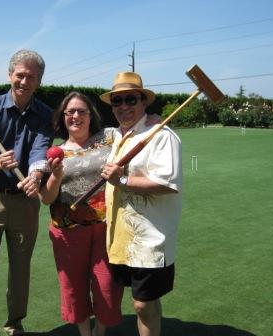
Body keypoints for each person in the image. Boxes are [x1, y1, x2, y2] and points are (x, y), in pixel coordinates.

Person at [0, 49, 53, 336]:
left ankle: (14, 325)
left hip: (24, 203)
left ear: (38, 81)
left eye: (31, 77)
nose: (24, 81)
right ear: (10, 75)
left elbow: (41, 150)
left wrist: (36, 175)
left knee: (20, 271)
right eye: (20, 75)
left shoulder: (45, 114)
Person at [99, 72, 183, 336]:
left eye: (131, 99)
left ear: (144, 102)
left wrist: (122, 179)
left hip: (149, 240)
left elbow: (167, 184)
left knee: (141, 304)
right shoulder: (118, 136)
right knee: (146, 303)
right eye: (117, 101)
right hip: (122, 239)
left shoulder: (161, 135)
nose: (124, 106)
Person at [39, 91, 123, 336]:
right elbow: (46, 199)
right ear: (63, 117)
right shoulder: (55, 152)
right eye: (70, 112)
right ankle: (86, 334)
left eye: (81, 111)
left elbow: (132, 131)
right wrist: (56, 174)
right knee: (73, 286)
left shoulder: (109, 137)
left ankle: (100, 332)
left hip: (106, 227)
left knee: (107, 284)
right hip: (67, 231)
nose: (76, 116)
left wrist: (150, 119)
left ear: (90, 114)